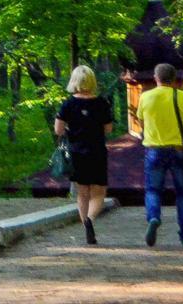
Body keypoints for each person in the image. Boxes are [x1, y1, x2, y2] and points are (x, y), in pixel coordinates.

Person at [136, 62, 183, 248]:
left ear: (156, 78)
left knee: (152, 190)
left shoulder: (145, 97)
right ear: (174, 79)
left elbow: (141, 121)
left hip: (154, 150)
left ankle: (154, 217)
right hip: (179, 150)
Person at [54, 65, 113, 244]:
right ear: (92, 81)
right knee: (99, 191)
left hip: (76, 152)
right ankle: (90, 220)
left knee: (82, 192)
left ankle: (85, 226)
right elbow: (108, 129)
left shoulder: (68, 104)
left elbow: (58, 130)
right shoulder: (102, 103)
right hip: (97, 151)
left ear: (74, 81)